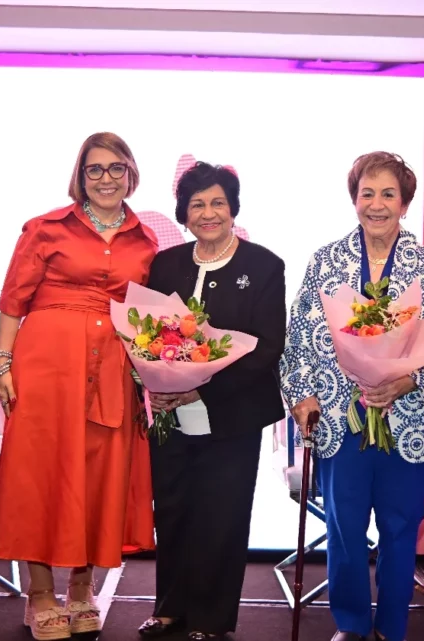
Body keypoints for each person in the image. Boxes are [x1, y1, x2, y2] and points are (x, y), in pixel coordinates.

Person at [279, 152, 424, 641]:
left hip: (411, 424)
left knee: (400, 531)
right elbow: (297, 338)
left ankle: (392, 628)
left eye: (388, 194)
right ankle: (352, 625)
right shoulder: (326, 262)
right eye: (367, 193)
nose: (376, 204)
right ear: (354, 199)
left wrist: (408, 380)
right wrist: (301, 398)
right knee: (344, 531)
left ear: (405, 203)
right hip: (342, 422)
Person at [0, 132, 157, 640]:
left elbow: (145, 313)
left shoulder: (145, 240)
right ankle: (39, 593)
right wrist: (2, 363)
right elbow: (13, 300)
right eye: (95, 169)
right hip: (46, 367)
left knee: (99, 476)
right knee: (41, 474)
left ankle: (81, 589)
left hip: (113, 371)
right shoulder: (45, 229)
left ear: (131, 173)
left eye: (116, 168)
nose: (106, 178)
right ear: (80, 176)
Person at [137, 162, 286, 641]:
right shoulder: (166, 265)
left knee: (221, 516)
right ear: (183, 212)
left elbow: (266, 347)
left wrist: (199, 386)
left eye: (217, 202)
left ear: (232, 208)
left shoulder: (264, 265)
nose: (208, 213)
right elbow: (146, 335)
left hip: (233, 414)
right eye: (198, 204)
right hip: (169, 413)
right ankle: (169, 608)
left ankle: (212, 619)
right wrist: (156, 383)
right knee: (175, 510)